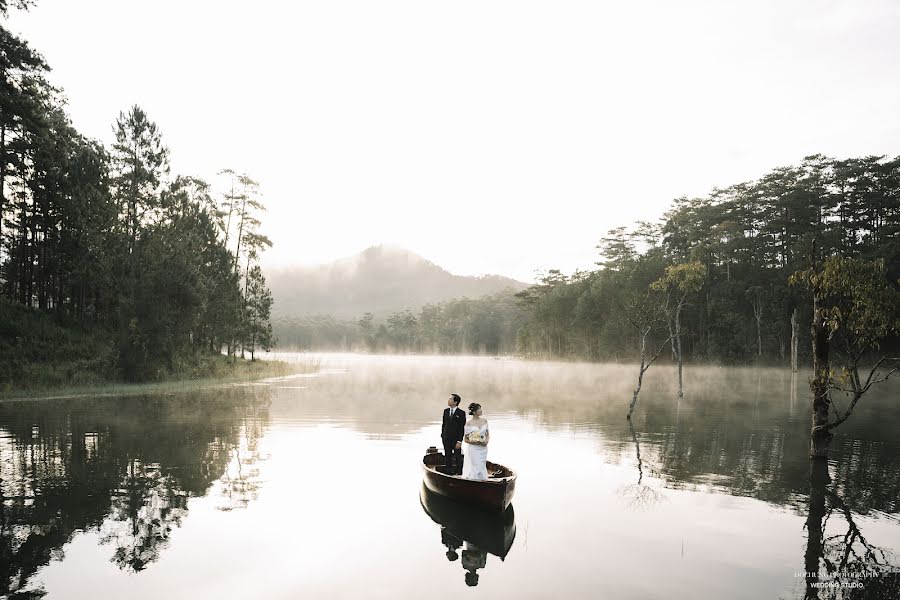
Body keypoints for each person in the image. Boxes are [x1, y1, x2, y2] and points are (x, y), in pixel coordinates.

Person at [462, 402, 489, 480]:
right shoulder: (468, 423)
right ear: (474, 412)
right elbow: (466, 439)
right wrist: (477, 442)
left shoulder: (485, 421)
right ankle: (474, 480)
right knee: (475, 466)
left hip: (483, 449)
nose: (481, 410)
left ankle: (483, 480)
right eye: (479, 409)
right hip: (474, 449)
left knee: (482, 465)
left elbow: (487, 434)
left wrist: (486, 441)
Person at [441, 393, 466, 475]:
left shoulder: (461, 413)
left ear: (455, 402)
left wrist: (459, 441)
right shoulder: (446, 411)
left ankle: (459, 473)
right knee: (447, 456)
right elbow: (444, 425)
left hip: (456, 439)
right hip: (446, 438)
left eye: (450, 399)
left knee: (457, 456)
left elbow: (461, 428)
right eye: (449, 399)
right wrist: (442, 435)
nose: (448, 400)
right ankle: (448, 473)